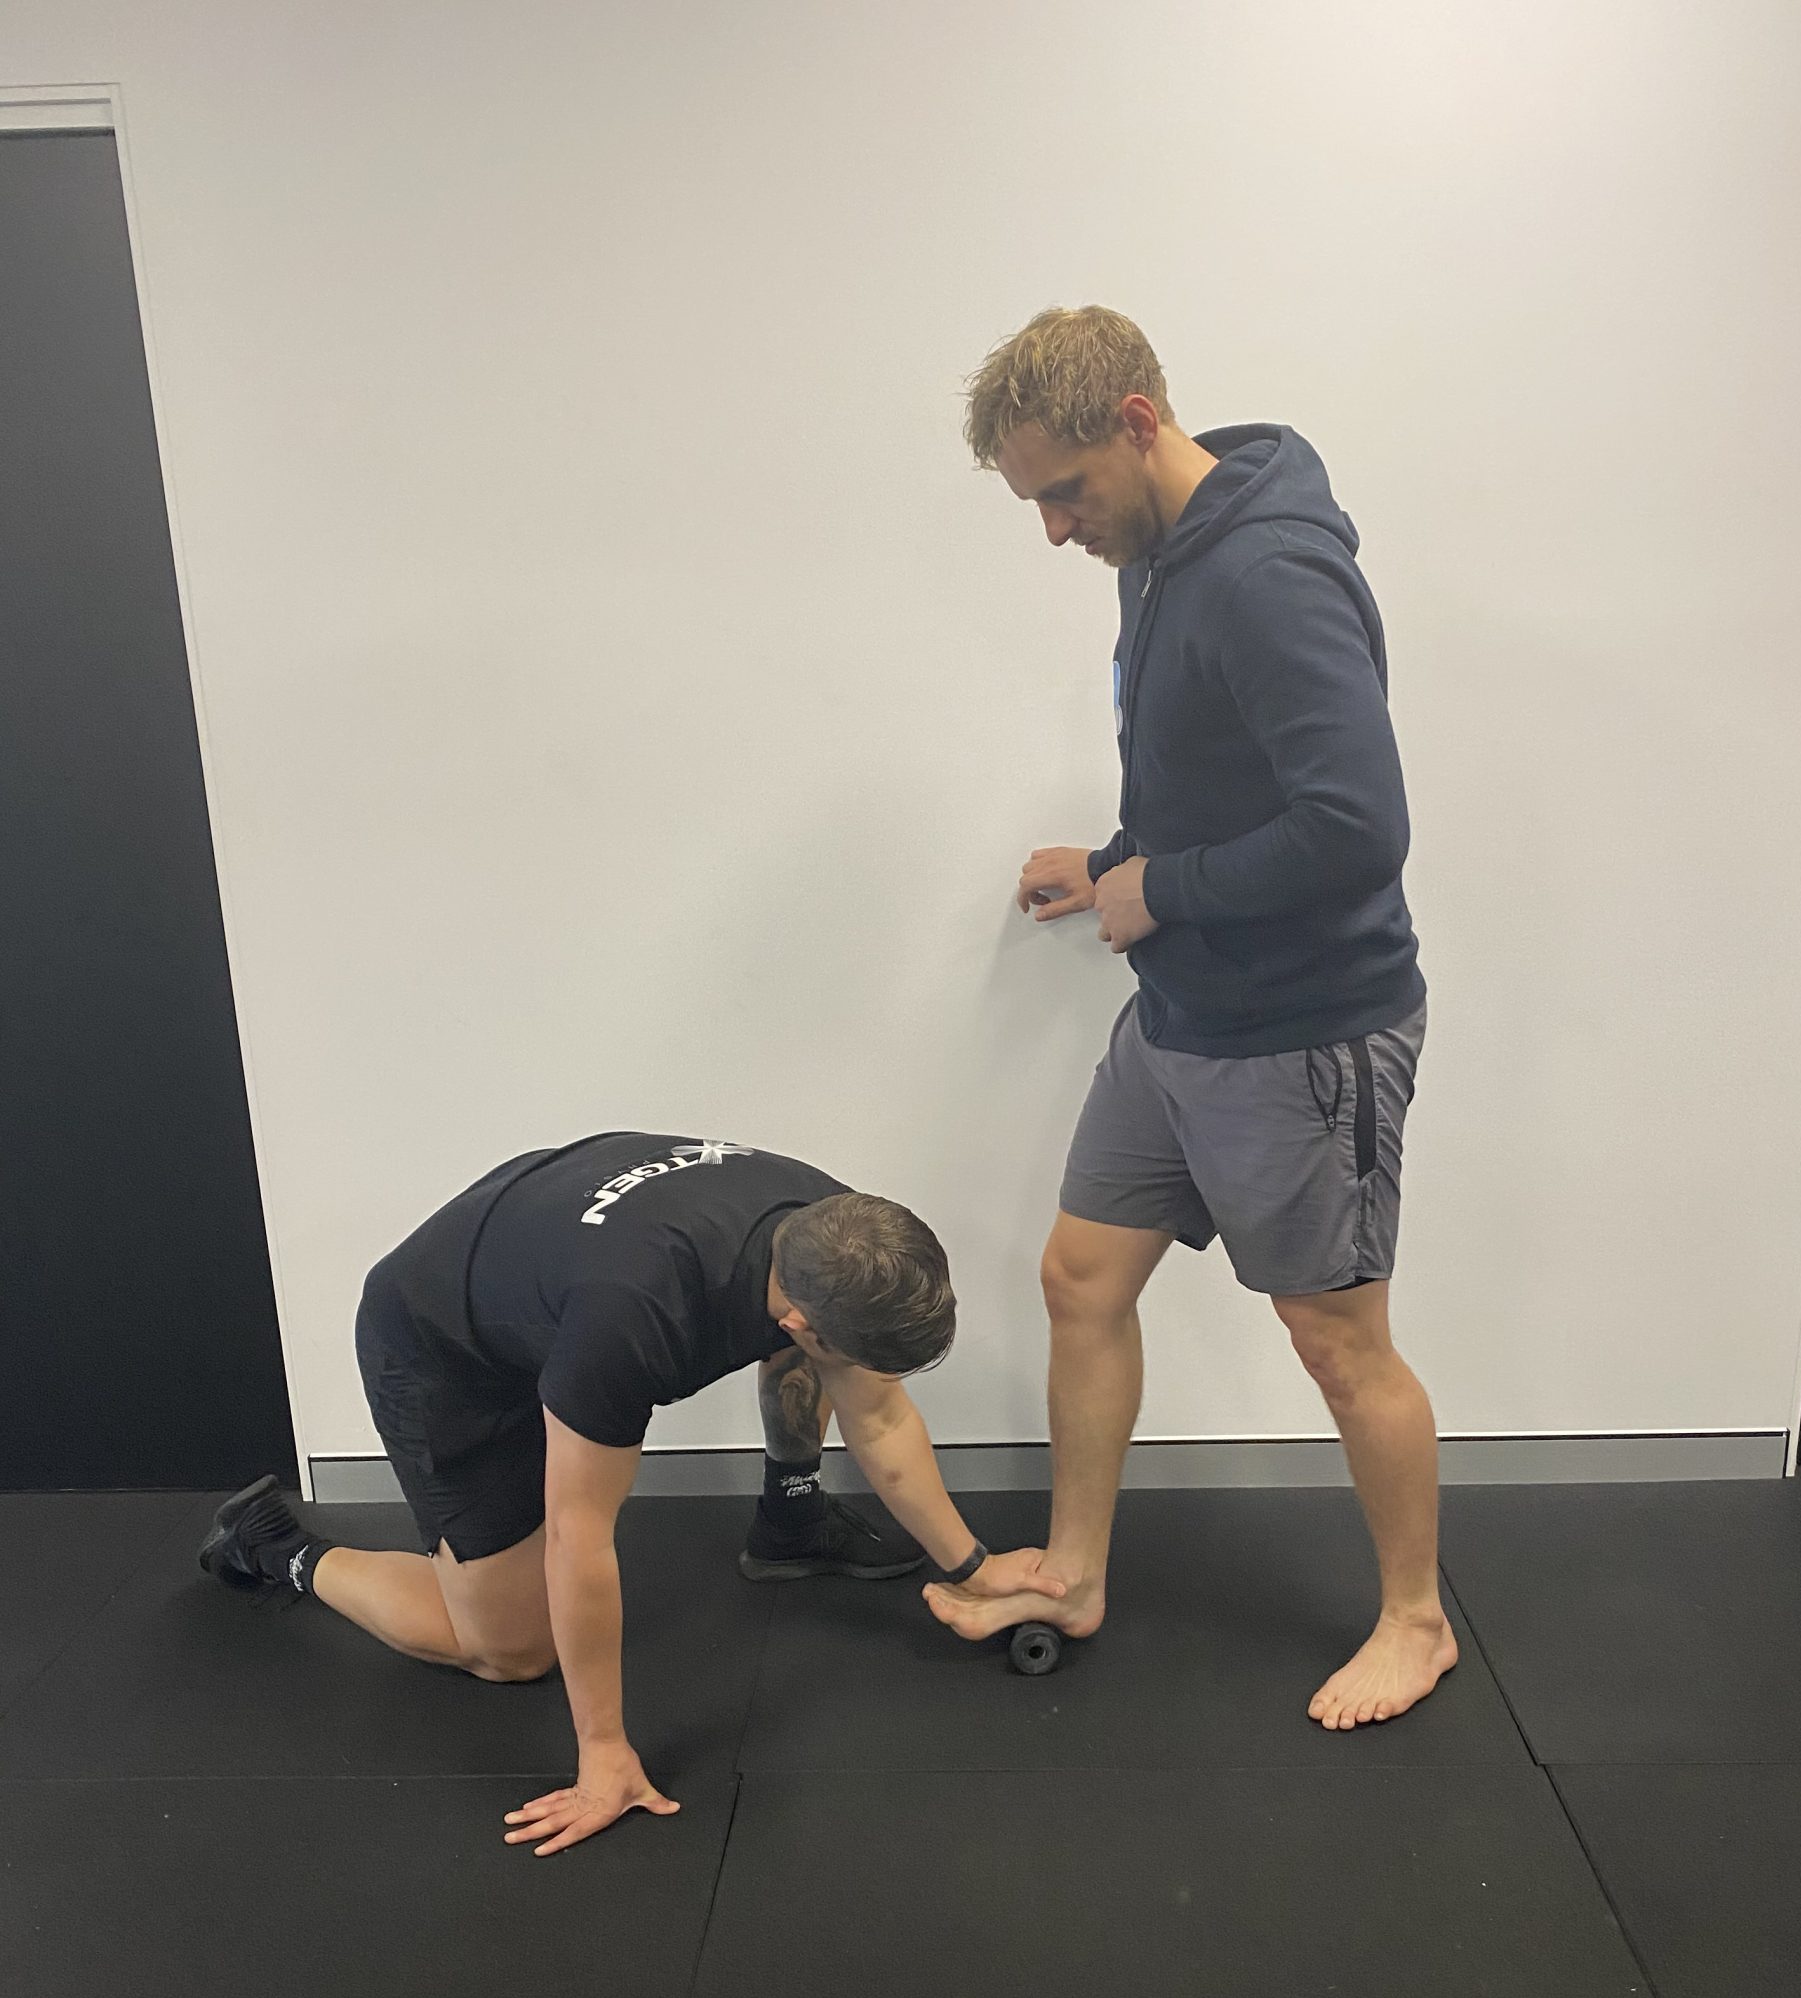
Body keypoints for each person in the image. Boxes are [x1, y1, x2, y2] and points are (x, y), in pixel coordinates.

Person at [927, 307, 1451, 1731]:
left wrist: (1159, 890)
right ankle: (1076, 1572)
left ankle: (1417, 1622)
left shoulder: (1269, 577)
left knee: (1338, 1343)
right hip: (1180, 1015)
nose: (1055, 530)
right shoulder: (1155, 555)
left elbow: (1358, 828)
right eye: (1034, 504)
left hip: (1303, 1032)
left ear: (1139, 423)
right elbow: (1212, 774)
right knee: (1080, 1279)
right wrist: (1112, 864)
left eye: (1064, 492)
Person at [200, 1131, 1061, 1851]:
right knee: (508, 1649)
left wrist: (974, 1566)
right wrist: (603, 1753)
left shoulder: (832, 1228)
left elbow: (878, 1416)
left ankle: (791, 1523)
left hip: (550, 1277)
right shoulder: (634, 1318)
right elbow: (579, 1537)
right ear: (798, 1316)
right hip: (440, 1347)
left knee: (825, 1364)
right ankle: (277, 1547)